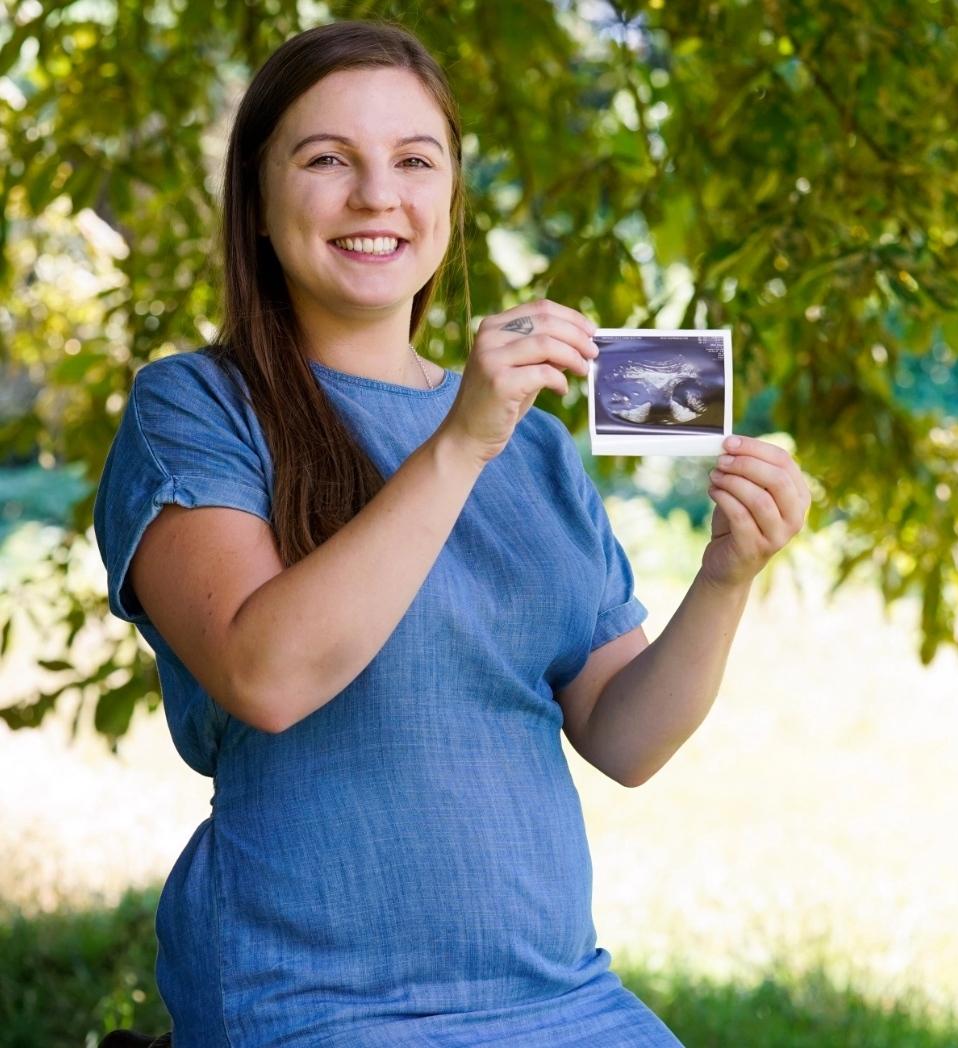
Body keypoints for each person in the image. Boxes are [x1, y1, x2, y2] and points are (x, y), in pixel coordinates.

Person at [92, 19, 809, 1048]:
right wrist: (460, 440)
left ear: (449, 200)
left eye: (414, 161)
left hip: (562, 999)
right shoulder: (195, 406)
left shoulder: (540, 450)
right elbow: (266, 674)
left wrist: (728, 575)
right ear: (255, 200)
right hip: (309, 1001)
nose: (378, 195)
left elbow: (624, 735)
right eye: (327, 158)